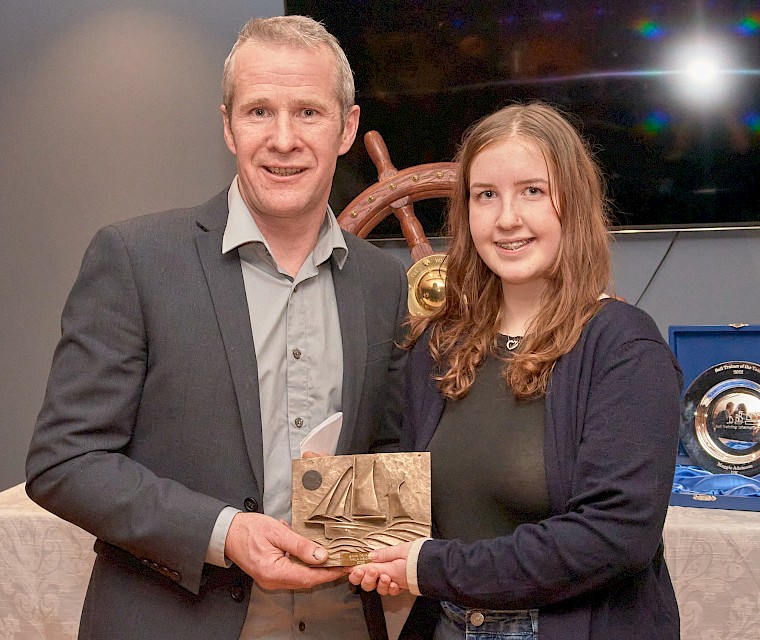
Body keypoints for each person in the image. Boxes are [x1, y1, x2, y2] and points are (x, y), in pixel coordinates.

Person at [25, 15, 407, 640]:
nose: (283, 139)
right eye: (259, 112)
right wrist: (225, 533)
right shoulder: (136, 259)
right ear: (227, 125)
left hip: (341, 619)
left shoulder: (381, 283)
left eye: (309, 112)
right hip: (175, 618)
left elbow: (386, 454)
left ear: (348, 128)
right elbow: (64, 461)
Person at [348, 102, 683, 639]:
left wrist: (428, 567)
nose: (507, 218)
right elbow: (398, 476)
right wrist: (337, 523)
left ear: (573, 204)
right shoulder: (439, 344)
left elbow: (614, 535)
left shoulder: (625, 348)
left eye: (532, 190)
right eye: (486, 195)